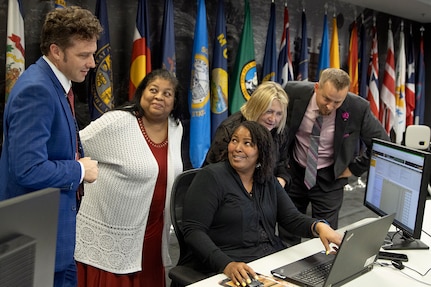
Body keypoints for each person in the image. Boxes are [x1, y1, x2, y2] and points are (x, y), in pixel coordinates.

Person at [0, 6, 101, 286]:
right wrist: (79, 170)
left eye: (92, 53)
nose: (92, 63)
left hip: (55, 238)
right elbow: (27, 169)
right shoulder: (37, 90)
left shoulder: (57, 84)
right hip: (32, 243)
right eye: (83, 55)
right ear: (56, 51)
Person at [181, 121, 343, 286]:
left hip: (268, 262)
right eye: (234, 140)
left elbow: (291, 218)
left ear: (261, 152)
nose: (237, 148)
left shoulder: (266, 179)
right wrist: (226, 264)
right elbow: (193, 231)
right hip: (230, 267)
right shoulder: (211, 177)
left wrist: (318, 226)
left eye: (247, 143)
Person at [74, 69, 184, 287]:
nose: (159, 97)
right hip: (112, 231)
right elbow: (75, 143)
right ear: (142, 92)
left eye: (167, 93)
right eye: (153, 90)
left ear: (175, 102)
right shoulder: (118, 122)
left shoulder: (175, 127)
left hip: (153, 230)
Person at [283, 68, 389, 244]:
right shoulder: (293, 92)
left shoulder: (357, 107)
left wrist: (354, 169)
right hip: (294, 171)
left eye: (337, 102)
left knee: (326, 237)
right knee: (287, 231)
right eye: (326, 99)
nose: (330, 106)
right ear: (317, 87)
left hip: (330, 177)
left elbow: (382, 144)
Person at [205, 81, 290, 188]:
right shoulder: (229, 130)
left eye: (278, 114)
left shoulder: (279, 131)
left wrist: (281, 180)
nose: (273, 119)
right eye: (269, 111)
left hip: (265, 191)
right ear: (256, 108)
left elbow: (282, 163)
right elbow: (215, 172)